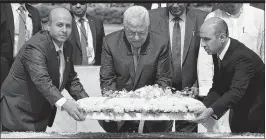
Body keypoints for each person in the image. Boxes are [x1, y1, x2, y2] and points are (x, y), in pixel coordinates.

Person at [0, 7, 89, 132]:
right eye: (59, 25)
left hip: (39, 115)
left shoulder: (68, 46)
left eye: (68, 26)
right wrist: (65, 104)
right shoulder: (35, 47)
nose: (64, 30)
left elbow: (70, 79)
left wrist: (90, 104)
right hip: (16, 114)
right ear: (48, 26)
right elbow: (42, 80)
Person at [98, 5, 172, 133]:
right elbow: (107, 80)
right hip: (119, 114)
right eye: (131, 33)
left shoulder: (161, 43)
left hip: (152, 114)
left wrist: (147, 103)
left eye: (142, 32)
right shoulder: (110, 42)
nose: (137, 38)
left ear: (148, 27)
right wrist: (118, 106)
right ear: (124, 27)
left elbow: (164, 80)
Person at [192, 17, 265, 133]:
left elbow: (236, 91)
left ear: (222, 37)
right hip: (239, 114)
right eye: (201, 39)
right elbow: (218, 87)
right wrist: (203, 107)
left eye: (206, 39)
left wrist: (210, 110)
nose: (202, 44)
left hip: (257, 118)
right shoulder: (217, 51)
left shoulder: (242, 57)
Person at [149, 3, 208, 132]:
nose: (175, 5)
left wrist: (199, 84)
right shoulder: (152, 17)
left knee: (187, 133)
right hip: (160, 89)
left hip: (190, 89)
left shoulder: (202, 18)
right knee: (159, 132)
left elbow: (206, 56)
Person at [197, 3, 264, 97]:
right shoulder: (213, 17)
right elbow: (205, 58)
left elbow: (263, 53)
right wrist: (206, 91)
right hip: (222, 88)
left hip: (252, 87)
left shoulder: (259, 16)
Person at [0, 3, 42, 86]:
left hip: (26, 70)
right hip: (3, 69)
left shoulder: (34, 12)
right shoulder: (2, 7)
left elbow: (38, 40)